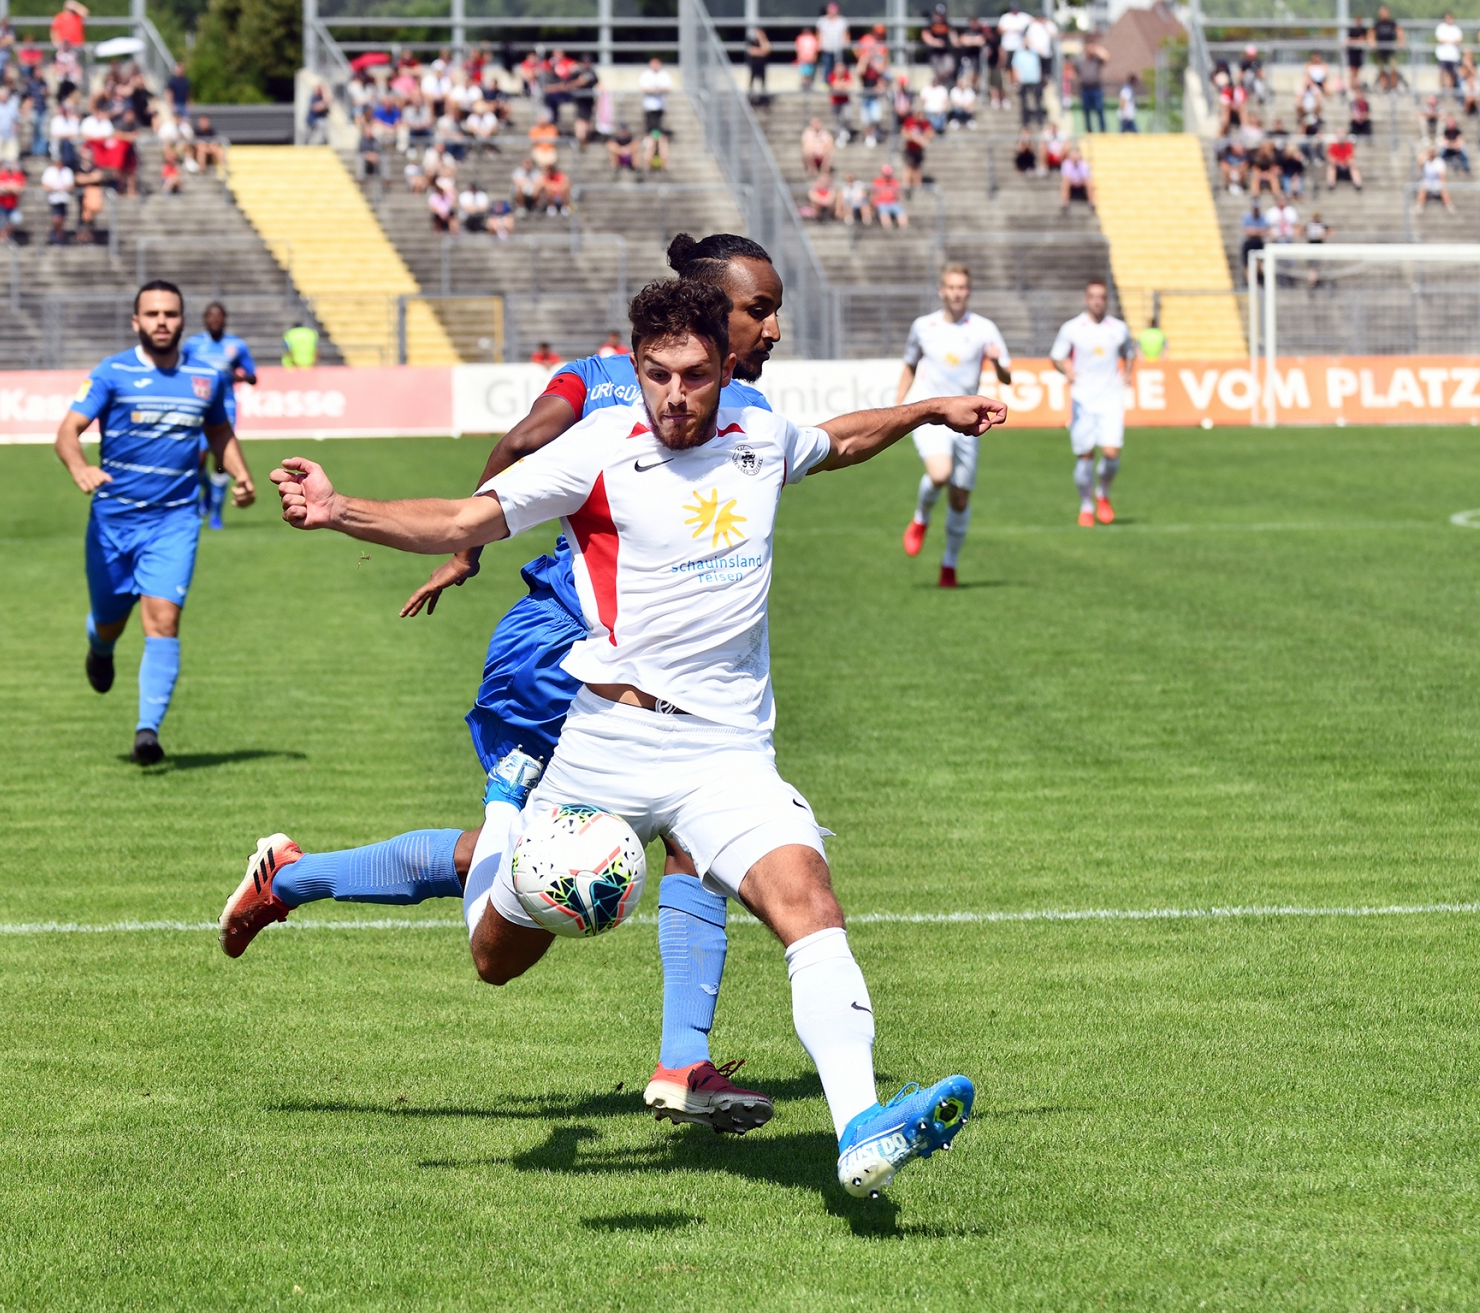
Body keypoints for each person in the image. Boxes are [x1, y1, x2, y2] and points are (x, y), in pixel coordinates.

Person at [251, 279, 994, 1198]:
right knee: (494, 958)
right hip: (606, 747)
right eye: (656, 375)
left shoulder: (760, 434)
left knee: (808, 900)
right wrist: (339, 510)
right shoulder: (599, 447)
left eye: (695, 375)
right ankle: (497, 813)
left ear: (725, 366)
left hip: (726, 753)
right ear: (635, 365)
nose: (675, 396)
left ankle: (860, 1130)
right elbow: (462, 519)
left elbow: (836, 442)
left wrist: (928, 409)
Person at [227, 234, 795, 1137]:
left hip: (632, 673)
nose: (770, 330)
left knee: (672, 842)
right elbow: (527, 442)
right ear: (707, 313)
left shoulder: (711, 402)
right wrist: (467, 543)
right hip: (563, 654)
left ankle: (681, 1061)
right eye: (756, 311)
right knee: (526, 866)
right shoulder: (626, 384)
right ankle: (297, 878)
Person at [52, 282, 255, 765]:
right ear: (136, 322)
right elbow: (67, 432)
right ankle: (100, 647)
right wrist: (80, 468)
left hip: (175, 520)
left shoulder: (206, 377)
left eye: (170, 313)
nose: (161, 321)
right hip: (113, 522)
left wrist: (240, 473)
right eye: (152, 314)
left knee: (163, 619)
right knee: (109, 622)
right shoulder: (112, 372)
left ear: (182, 321)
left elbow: (218, 430)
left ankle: (148, 731)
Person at [897, 264, 1012, 589]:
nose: (956, 293)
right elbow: (909, 365)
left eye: (961, 287)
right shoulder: (924, 326)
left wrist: (997, 362)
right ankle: (921, 518)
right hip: (931, 414)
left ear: (968, 291)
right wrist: (898, 406)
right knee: (940, 473)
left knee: (959, 499)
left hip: (968, 420)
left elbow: (1007, 377)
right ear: (941, 290)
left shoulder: (984, 329)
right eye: (951, 287)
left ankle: (949, 565)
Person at [1049, 281, 1133, 527]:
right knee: (1085, 455)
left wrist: (1128, 373)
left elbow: (1129, 353)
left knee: (1111, 453)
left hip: (1111, 398)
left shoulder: (1118, 328)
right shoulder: (1072, 328)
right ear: (1086, 299)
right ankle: (1086, 506)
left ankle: (1102, 493)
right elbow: (1056, 356)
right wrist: (1067, 371)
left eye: (1102, 297)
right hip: (1083, 400)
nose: (1097, 301)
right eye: (1093, 296)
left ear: (1106, 300)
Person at [182, 302, 258, 531]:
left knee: (220, 461)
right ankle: (206, 492)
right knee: (197, 461)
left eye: (218, 316)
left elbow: (252, 376)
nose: (214, 320)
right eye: (210, 316)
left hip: (226, 407)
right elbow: (180, 370)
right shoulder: (192, 345)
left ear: (225, 319)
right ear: (205, 319)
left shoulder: (236, 346)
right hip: (199, 407)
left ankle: (216, 513)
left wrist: (241, 377)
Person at [638, 57, 671, 134]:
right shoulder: (646, 74)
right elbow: (643, 88)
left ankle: (657, 139)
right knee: (650, 125)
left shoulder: (664, 74)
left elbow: (668, 87)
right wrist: (655, 90)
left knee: (658, 125)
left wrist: (656, 89)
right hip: (649, 105)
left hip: (660, 105)